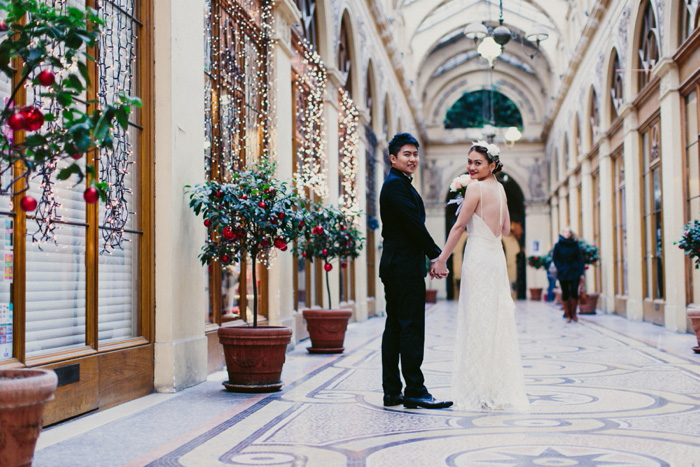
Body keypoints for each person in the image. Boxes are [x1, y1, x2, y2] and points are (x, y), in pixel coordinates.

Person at [431, 142, 529, 412]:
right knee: (494, 319)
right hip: (495, 258)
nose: (471, 167)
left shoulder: (474, 188)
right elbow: (507, 229)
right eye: (469, 162)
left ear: (492, 165)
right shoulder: (500, 189)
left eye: (477, 163)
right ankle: (494, 387)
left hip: (477, 258)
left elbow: (459, 226)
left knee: (476, 319)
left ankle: (479, 389)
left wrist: (441, 258)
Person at [379, 133, 452, 410]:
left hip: (398, 266)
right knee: (410, 328)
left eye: (415, 154)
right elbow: (413, 225)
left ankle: (392, 391)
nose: (412, 159)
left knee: (396, 328)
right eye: (407, 154)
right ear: (393, 158)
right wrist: (437, 255)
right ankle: (414, 390)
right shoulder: (396, 186)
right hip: (403, 268)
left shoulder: (399, 184)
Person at [552, 227, 585, 323]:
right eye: (565, 232)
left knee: (574, 292)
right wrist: (560, 268)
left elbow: (579, 259)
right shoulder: (558, 245)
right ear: (562, 233)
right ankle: (567, 315)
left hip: (574, 271)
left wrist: (581, 273)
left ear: (571, 234)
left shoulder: (575, 245)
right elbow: (555, 258)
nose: (567, 234)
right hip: (563, 272)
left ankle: (573, 314)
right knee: (565, 293)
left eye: (569, 232)